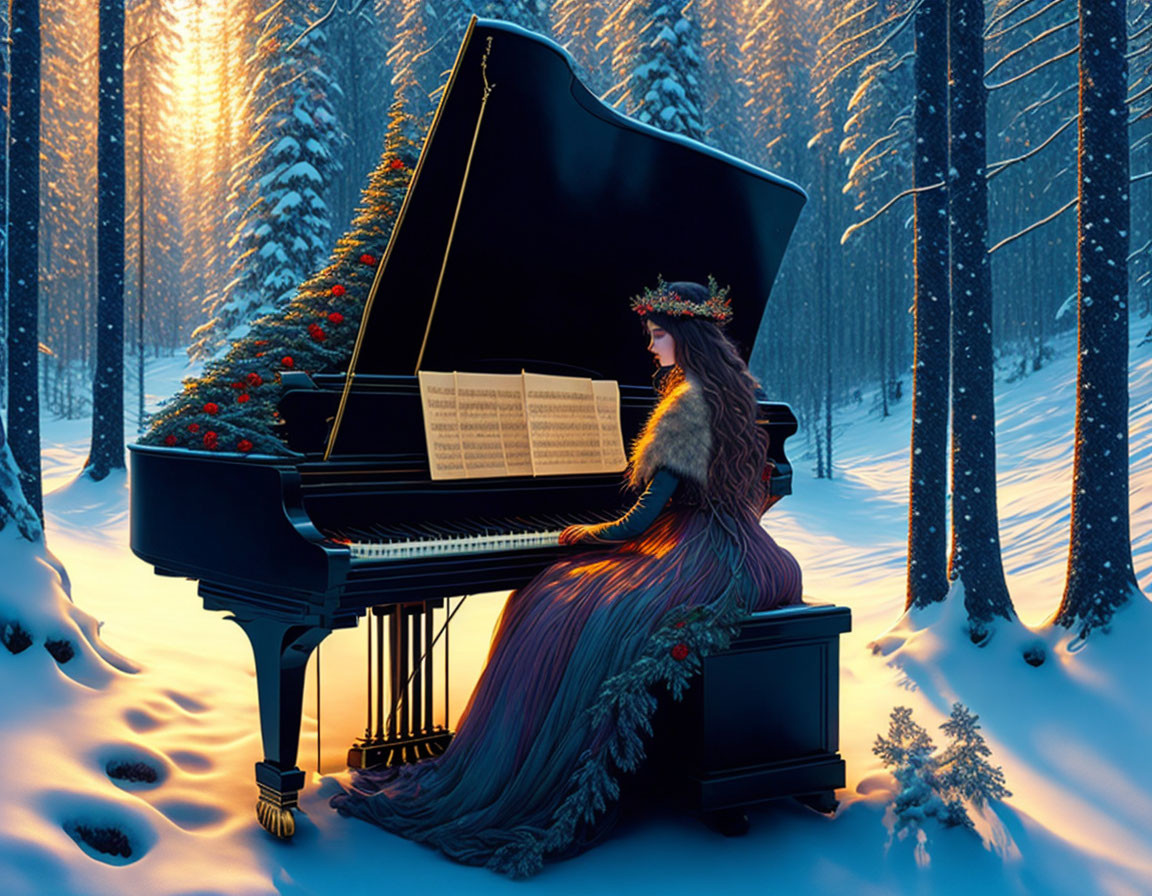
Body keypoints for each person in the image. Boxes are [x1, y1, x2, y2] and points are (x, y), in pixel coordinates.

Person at [329, 278, 803, 877]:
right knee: (575, 593)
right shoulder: (731, 392)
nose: (652, 347)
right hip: (749, 550)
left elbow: (643, 517)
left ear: (683, 337)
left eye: (658, 336)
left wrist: (583, 535)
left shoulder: (686, 406)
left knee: (552, 597)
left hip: (701, 555)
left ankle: (528, 772)